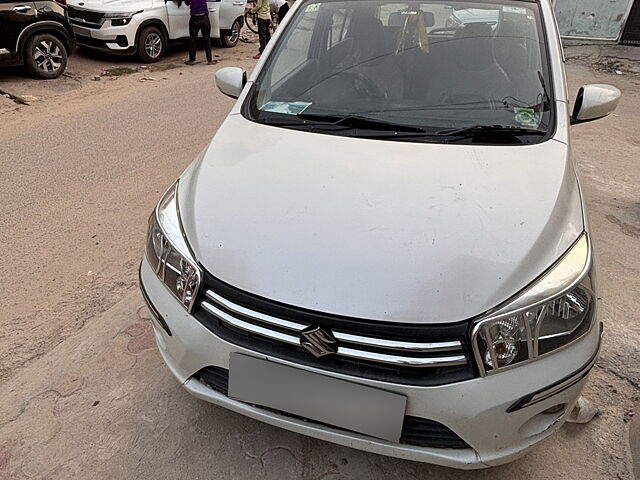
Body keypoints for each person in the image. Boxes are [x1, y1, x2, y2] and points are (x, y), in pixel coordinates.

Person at [184, 0, 215, 65]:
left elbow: (187, 3)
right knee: (207, 39)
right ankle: (209, 60)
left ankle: (192, 60)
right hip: (204, 17)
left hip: (194, 17)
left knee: (193, 39)